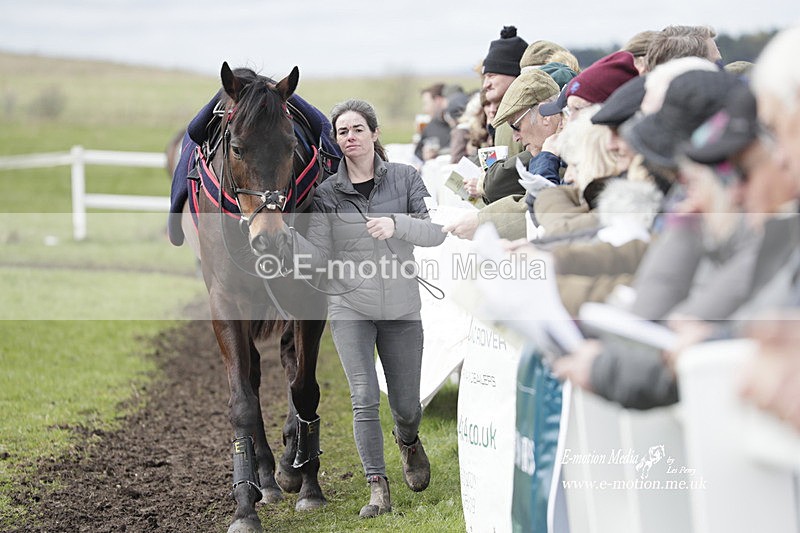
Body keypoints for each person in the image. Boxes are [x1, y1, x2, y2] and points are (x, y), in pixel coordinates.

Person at [290, 99, 446, 518]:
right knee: (363, 398)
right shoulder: (327, 194)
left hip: (400, 308)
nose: (350, 138)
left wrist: (398, 224)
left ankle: (408, 440)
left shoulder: (406, 177)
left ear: (374, 134)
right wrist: (286, 238)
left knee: (407, 407)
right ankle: (377, 487)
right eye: (342, 132)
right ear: (336, 141)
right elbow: (319, 256)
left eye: (358, 129)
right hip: (349, 306)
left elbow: (434, 233)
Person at [481, 25, 529, 158]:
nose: (485, 85)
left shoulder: (527, 116)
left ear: (514, 74)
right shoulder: (506, 115)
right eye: (485, 77)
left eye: (491, 75)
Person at [414, 83, 451, 162]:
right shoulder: (430, 126)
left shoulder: (454, 122)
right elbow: (418, 153)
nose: (425, 109)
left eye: (426, 104)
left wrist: (438, 153)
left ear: (438, 100)